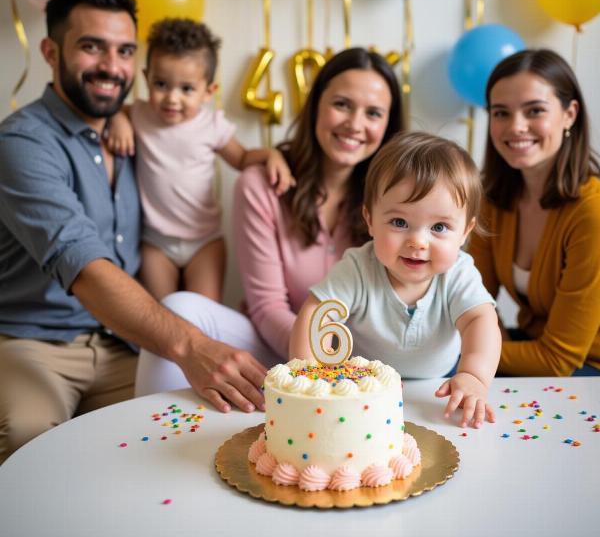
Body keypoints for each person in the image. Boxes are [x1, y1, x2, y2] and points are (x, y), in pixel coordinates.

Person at [0, 0, 265, 465]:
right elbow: (79, 260)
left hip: (124, 341)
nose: (110, 66)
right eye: (91, 47)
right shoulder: (22, 143)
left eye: (123, 51)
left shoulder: (132, 129)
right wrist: (192, 345)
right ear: (51, 52)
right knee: (30, 437)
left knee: (198, 430)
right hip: (34, 341)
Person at [134, 47, 405, 397]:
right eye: (341, 104)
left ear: (387, 125)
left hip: (367, 362)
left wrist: (351, 369)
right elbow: (267, 307)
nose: (355, 124)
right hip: (276, 347)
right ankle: (154, 438)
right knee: (178, 310)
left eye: (373, 113)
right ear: (316, 106)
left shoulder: (399, 197)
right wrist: (317, 365)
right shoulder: (262, 183)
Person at [289, 132, 501, 429]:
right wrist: (311, 376)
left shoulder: (459, 274)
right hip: (363, 392)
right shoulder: (358, 268)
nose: (418, 241)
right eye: (399, 222)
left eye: (439, 227)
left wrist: (474, 376)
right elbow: (316, 314)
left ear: (465, 232)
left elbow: (480, 320)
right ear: (370, 220)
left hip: (438, 387)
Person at [106, 18, 294, 302]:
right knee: (161, 314)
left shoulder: (211, 125)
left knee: (203, 314)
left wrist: (271, 154)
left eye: (186, 89)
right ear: (145, 78)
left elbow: (242, 158)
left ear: (209, 91)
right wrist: (118, 118)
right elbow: (115, 110)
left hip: (204, 241)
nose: (172, 98)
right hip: (155, 241)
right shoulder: (141, 115)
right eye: (161, 84)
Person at [468, 49, 600, 376]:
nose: (516, 127)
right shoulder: (493, 200)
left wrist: (471, 353)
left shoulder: (592, 213)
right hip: (528, 345)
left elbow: (558, 360)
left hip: (587, 370)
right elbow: (472, 297)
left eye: (535, 111)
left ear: (570, 114)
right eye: (500, 113)